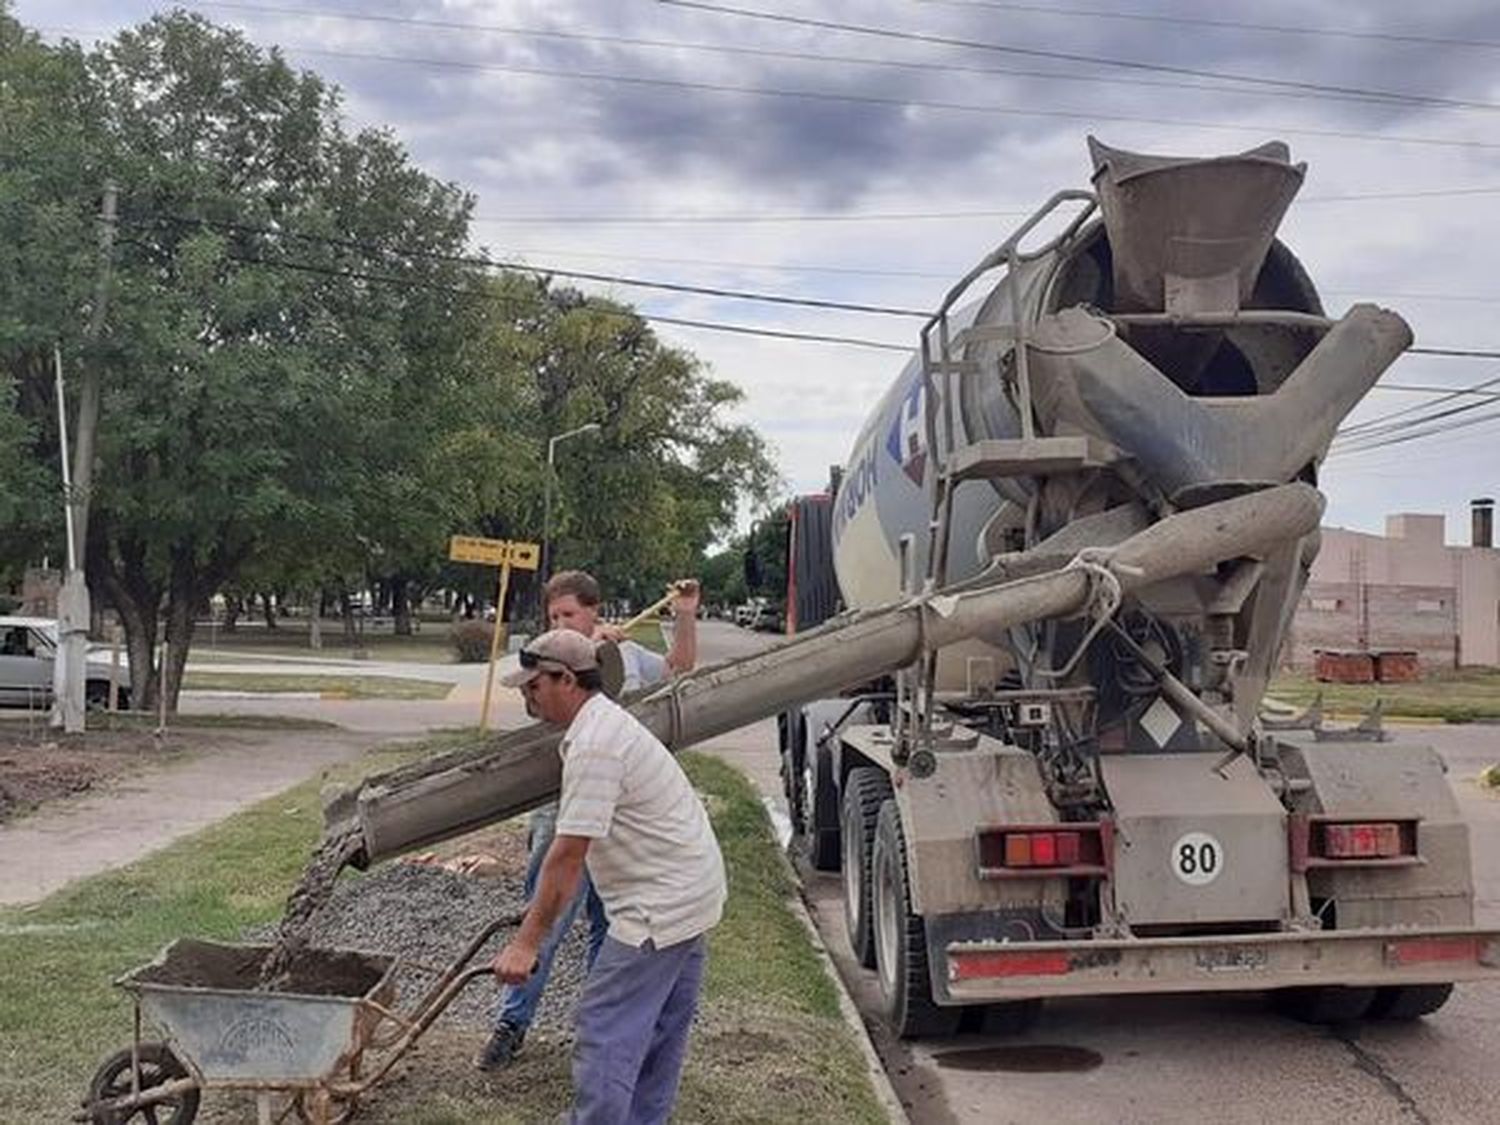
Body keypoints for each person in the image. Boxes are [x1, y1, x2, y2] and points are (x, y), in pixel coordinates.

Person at [492, 629, 725, 1124]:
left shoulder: (596, 745)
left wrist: (526, 944)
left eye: (533, 686)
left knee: (605, 1026)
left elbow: (567, 856)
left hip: (659, 906)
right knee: (660, 1030)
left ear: (567, 680)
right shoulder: (605, 724)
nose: (526, 696)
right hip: (693, 894)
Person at [476, 570, 700, 1070]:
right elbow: (541, 708)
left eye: (570, 614)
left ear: (595, 611)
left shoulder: (627, 656)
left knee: (611, 924)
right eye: (554, 616)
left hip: (620, 824)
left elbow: (681, 669)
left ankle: (596, 1029)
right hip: (567, 808)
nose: (562, 623)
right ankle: (512, 1023)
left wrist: (684, 614)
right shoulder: (551, 661)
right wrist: (585, 655)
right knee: (544, 917)